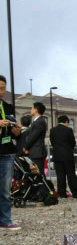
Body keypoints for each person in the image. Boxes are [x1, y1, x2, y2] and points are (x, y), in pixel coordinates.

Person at [0, 75, 23, 230]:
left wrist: (17, 132)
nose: (1, 91)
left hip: (7, 151)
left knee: (5, 189)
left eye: (3, 88)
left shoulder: (8, 107)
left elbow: (15, 134)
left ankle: (5, 220)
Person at [49, 115, 77, 198]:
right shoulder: (68, 130)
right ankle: (75, 193)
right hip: (67, 156)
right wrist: (69, 148)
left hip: (57, 156)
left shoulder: (52, 130)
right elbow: (73, 142)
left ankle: (62, 193)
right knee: (71, 175)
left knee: (60, 176)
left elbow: (52, 142)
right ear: (66, 122)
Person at [23, 101, 47, 175]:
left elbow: (33, 137)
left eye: (32, 108)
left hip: (37, 152)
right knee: (36, 174)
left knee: (38, 174)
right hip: (35, 152)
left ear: (36, 110)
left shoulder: (39, 121)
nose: (31, 110)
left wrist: (26, 147)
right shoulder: (37, 121)